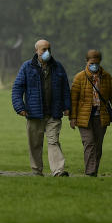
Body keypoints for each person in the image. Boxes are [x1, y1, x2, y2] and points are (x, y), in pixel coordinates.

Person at [11, 39, 71, 176]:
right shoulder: (27, 67)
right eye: (44, 49)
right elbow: (17, 88)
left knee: (53, 141)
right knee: (35, 144)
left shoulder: (58, 67)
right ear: (36, 51)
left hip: (53, 113)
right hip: (33, 113)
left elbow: (65, 89)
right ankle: (37, 170)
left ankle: (58, 171)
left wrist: (67, 107)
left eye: (49, 49)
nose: (47, 52)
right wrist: (19, 107)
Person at [69, 50, 112, 176]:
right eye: (92, 63)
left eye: (97, 63)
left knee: (98, 146)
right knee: (89, 143)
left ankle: (94, 171)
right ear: (87, 62)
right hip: (84, 118)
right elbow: (73, 99)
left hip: (101, 116)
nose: (94, 65)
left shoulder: (106, 77)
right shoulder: (79, 77)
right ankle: (90, 172)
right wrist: (72, 118)